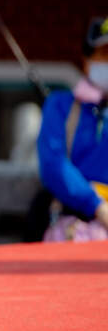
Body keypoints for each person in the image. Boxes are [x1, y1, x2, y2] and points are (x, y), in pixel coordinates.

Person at [36, 17, 108, 242]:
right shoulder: (60, 105)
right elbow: (53, 163)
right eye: (105, 53)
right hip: (69, 224)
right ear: (87, 61)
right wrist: (98, 207)